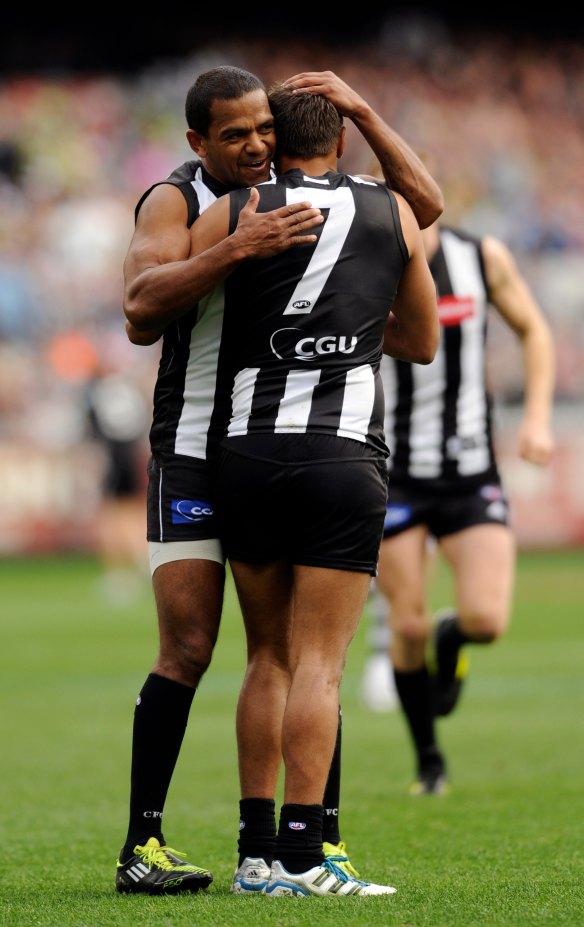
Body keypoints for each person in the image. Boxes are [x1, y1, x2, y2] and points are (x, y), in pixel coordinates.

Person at [116, 65, 443, 895]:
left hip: (249, 446)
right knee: (196, 647)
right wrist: (237, 248)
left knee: (285, 652)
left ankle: (289, 846)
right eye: (235, 135)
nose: (256, 144)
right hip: (195, 443)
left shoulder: (283, 197)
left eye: (265, 127)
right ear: (199, 143)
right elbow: (139, 309)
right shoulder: (181, 201)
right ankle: (149, 842)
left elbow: (415, 220)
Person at [369, 215, 555, 795]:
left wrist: (537, 418)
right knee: (408, 622)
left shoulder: (483, 257)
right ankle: (429, 761)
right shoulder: (367, 259)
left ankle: (455, 640)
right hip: (394, 472)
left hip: (471, 470)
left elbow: (535, 330)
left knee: (486, 621)